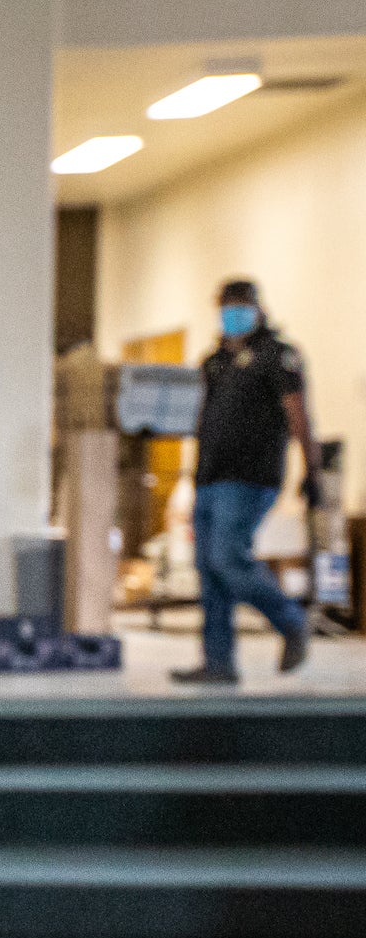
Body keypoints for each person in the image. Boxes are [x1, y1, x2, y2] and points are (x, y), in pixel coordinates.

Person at [171, 278, 318, 684]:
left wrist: (313, 469)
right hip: (209, 476)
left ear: (257, 308)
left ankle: (290, 621)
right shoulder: (214, 361)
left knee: (227, 558)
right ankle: (218, 662)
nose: (233, 314)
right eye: (227, 306)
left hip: (251, 477)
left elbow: (299, 416)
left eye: (241, 306)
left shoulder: (278, 356)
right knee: (208, 568)